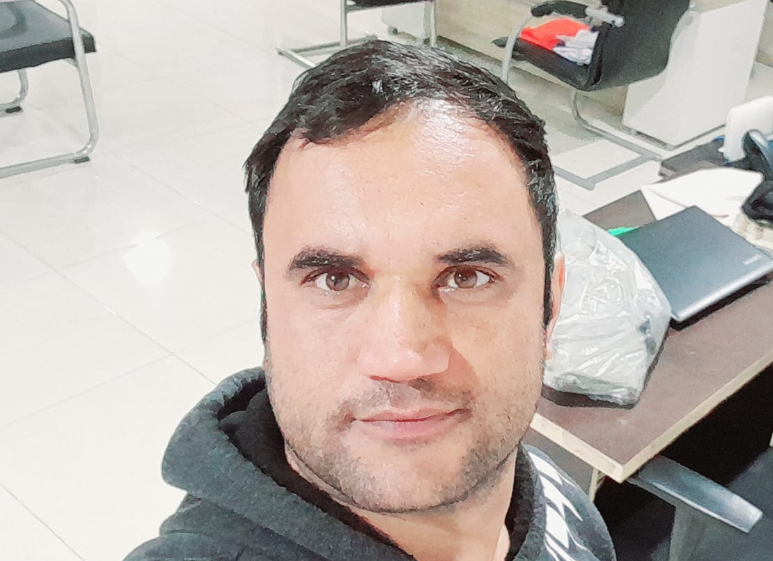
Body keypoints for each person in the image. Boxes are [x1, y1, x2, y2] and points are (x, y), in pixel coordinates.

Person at [125, 40, 616, 561]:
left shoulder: (554, 498)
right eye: (334, 280)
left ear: (550, 306)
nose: (401, 359)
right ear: (267, 308)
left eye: (467, 278)